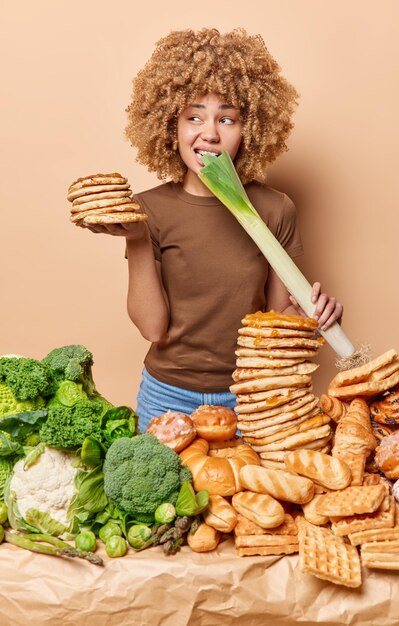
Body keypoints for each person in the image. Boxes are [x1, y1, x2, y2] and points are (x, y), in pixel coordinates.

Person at [86, 28, 343, 432]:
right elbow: (152, 328)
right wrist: (136, 237)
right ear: (170, 125)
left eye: (227, 118)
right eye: (194, 117)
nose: (209, 133)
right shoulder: (149, 209)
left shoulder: (275, 209)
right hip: (167, 393)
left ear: (251, 129)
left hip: (251, 392)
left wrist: (311, 318)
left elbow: (276, 314)